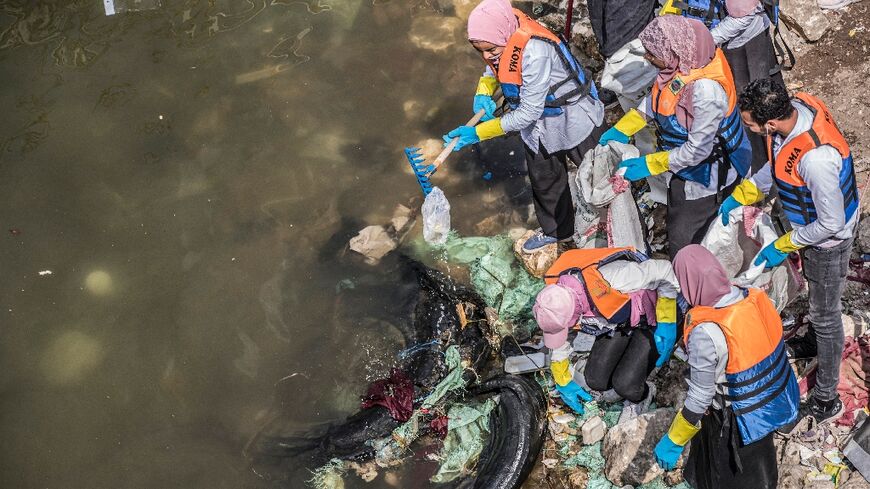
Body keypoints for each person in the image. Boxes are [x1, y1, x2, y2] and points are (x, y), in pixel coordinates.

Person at [718, 79, 859, 426]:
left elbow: (832, 224)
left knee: (826, 314)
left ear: (769, 123)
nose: (747, 127)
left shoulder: (816, 161)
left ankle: (827, 398)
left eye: (749, 123)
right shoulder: (793, 111)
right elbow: (778, 160)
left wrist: (785, 244)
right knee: (816, 303)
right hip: (811, 228)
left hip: (828, 241)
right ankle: (812, 340)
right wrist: (749, 191)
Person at [442, 0, 605, 252]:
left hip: (572, 118)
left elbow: (528, 113)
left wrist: (479, 133)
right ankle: (557, 232)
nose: (486, 55)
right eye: (479, 50)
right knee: (544, 180)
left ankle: (616, 225)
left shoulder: (535, 52)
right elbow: (494, 66)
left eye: (490, 49)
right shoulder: (503, 38)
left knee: (601, 173)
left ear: (503, 36)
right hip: (539, 131)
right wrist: (483, 91)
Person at [599, 16, 752, 259]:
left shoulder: (706, 92)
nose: (647, 58)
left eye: (652, 54)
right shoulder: (685, 62)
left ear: (674, 52)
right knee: (677, 209)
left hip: (706, 176)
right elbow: (659, 98)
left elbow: (697, 151)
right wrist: (626, 126)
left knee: (685, 235)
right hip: (682, 165)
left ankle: (690, 280)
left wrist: (649, 165)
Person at [654, 245, 799, 488]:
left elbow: (701, 397)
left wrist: (674, 439)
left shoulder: (705, 332)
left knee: (727, 475)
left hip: (734, 420)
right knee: (761, 472)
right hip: (769, 404)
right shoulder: (753, 296)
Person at [532, 247, 679, 421]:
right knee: (595, 380)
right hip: (620, 322)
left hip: (655, 318)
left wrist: (667, 321)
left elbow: (665, 270)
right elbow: (559, 338)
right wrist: (562, 378)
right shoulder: (554, 299)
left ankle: (645, 394)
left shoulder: (612, 278)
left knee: (626, 386)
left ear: (574, 314)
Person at [709, 0, 785, 172]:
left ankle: (774, 168)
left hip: (746, 41)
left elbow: (744, 13)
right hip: (727, 40)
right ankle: (762, 170)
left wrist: (706, 41)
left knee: (757, 109)